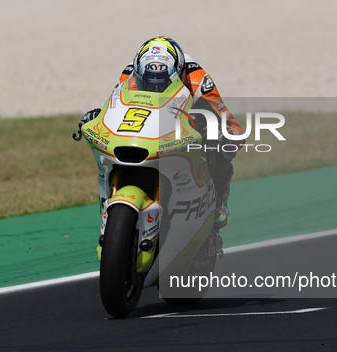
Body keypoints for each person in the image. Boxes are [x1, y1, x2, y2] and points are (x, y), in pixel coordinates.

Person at [79, 36, 244, 228]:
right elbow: (116, 107)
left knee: (221, 148)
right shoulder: (130, 74)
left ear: (179, 74)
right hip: (146, 130)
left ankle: (218, 202)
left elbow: (229, 122)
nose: (155, 87)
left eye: (161, 83)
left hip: (183, 127)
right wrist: (96, 118)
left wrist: (225, 135)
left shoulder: (196, 78)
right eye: (148, 82)